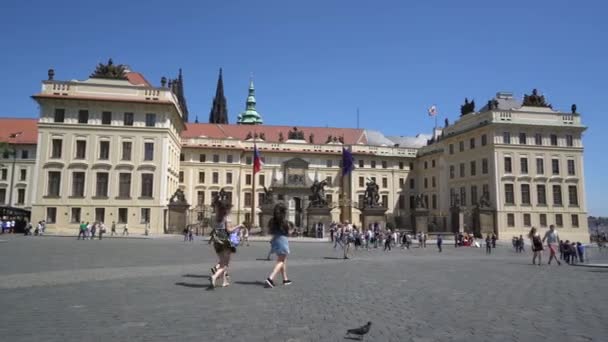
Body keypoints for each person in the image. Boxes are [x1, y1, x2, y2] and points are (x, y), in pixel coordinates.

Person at [209, 198, 239, 288]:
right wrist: (238, 226)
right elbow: (229, 230)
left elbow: (212, 227)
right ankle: (214, 276)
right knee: (225, 263)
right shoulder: (227, 218)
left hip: (216, 241)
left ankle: (224, 281)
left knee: (222, 261)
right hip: (225, 241)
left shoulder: (215, 217)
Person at [265, 203, 293, 288]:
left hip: (275, 240)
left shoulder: (272, 221)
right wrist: (292, 230)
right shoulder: (285, 222)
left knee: (282, 260)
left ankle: (285, 279)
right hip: (282, 241)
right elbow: (288, 233)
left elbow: (270, 231)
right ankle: (270, 278)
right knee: (281, 261)